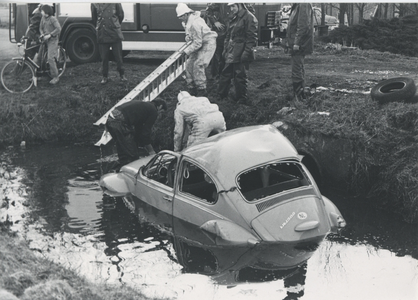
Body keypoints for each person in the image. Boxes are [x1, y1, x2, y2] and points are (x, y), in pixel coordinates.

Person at [106, 99, 167, 165]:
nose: (159, 114)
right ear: (160, 106)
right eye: (161, 112)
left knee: (123, 149)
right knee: (131, 154)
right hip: (119, 122)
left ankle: (121, 168)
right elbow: (145, 132)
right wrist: (151, 151)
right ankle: (130, 171)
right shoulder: (153, 110)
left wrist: (140, 143)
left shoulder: (144, 107)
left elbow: (139, 129)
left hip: (110, 120)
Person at [218, 3, 258, 105]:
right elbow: (229, 35)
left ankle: (242, 99)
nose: (231, 9)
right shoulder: (234, 17)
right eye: (230, 7)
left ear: (240, 5)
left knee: (240, 76)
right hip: (231, 52)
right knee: (225, 74)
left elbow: (252, 38)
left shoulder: (249, 18)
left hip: (241, 52)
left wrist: (246, 52)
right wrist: (225, 49)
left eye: (233, 6)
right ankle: (222, 97)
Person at [176, 3, 217, 97]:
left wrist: (186, 51)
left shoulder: (195, 23)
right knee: (189, 64)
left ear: (186, 14)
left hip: (207, 43)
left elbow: (198, 43)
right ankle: (191, 87)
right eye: (179, 17)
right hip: (198, 43)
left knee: (198, 64)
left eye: (181, 16)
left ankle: (201, 89)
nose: (180, 18)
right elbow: (190, 36)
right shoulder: (186, 22)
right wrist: (187, 37)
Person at [91, 3, 127, 85]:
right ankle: (105, 76)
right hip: (103, 34)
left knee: (118, 56)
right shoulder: (94, 3)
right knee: (104, 58)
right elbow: (94, 19)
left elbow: (120, 15)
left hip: (114, 33)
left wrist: (115, 25)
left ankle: (122, 75)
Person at [286, 3, 314, 101]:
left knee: (297, 68)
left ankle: (299, 96)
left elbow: (303, 25)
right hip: (296, 42)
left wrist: (297, 42)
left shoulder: (303, 4)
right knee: (298, 67)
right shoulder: (297, 5)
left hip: (299, 44)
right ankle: (301, 94)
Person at [36, 4, 61, 85]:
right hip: (45, 40)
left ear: (46, 11)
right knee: (39, 57)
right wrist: (42, 34)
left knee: (50, 58)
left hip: (53, 40)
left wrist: (50, 35)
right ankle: (38, 75)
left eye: (42, 11)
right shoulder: (43, 18)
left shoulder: (53, 19)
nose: (41, 12)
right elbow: (40, 28)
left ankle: (55, 77)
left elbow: (58, 29)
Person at [204, 3, 229, 80]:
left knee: (225, 54)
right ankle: (216, 74)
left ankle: (221, 74)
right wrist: (215, 22)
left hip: (228, 31)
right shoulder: (218, 3)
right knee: (218, 54)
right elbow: (208, 10)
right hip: (221, 32)